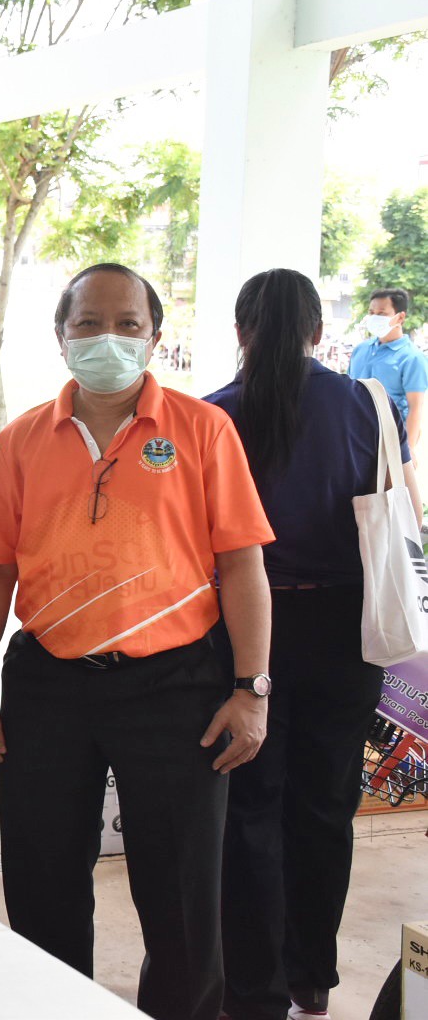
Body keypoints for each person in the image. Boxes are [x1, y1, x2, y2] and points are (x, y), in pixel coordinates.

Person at [0, 263, 274, 1020]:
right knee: (42, 885)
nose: (108, 338)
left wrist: (251, 689)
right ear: (61, 337)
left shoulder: (203, 429)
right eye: (89, 323)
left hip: (176, 688)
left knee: (182, 898)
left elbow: (242, 566)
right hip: (48, 686)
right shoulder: (23, 439)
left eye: (128, 324)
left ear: (155, 337)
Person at [203, 269, 420, 1020]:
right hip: (344, 629)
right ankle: (312, 981)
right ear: (317, 333)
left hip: (241, 631)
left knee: (249, 807)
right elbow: (394, 502)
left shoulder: (212, 416)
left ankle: (252, 989)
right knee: (326, 807)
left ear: (241, 331)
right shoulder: (365, 403)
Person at [348, 287, 428, 458]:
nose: (374, 317)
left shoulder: (412, 358)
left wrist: (408, 450)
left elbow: (415, 407)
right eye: (371, 312)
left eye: (382, 313)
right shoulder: (360, 350)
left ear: (400, 317)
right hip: (354, 436)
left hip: (390, 441)